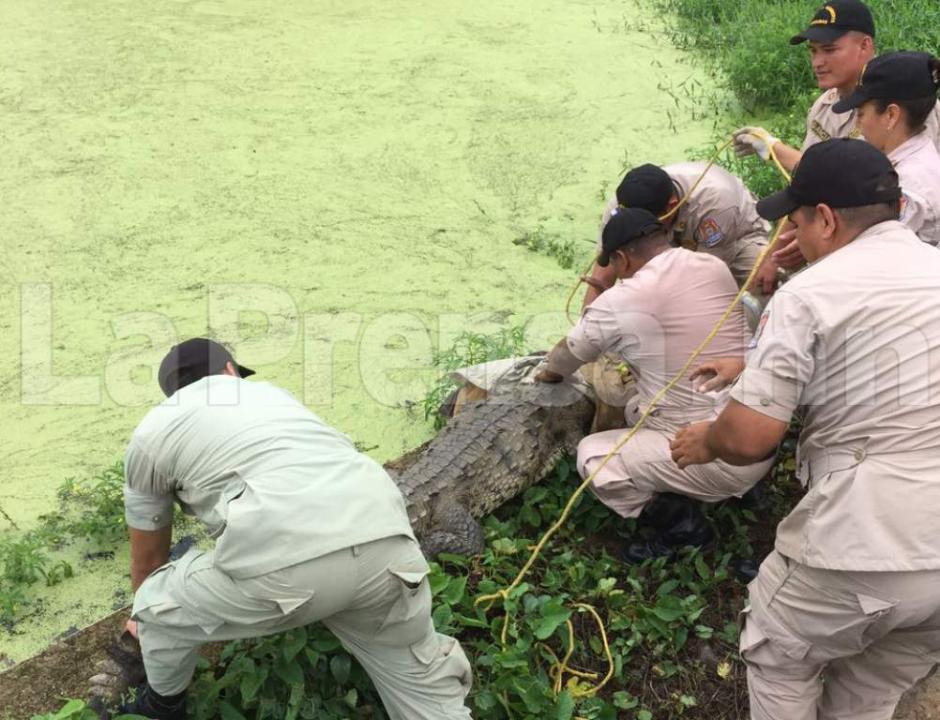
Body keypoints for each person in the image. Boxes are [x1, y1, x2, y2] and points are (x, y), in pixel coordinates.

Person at [670, 139, 940, 719]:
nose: (792, 241)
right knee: (872, 688)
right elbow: (888, 358)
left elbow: (749, 438)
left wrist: (706, 440)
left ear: (825, 218)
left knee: (779, 652)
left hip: (867, 543)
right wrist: (752, 366)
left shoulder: (809, 293)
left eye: (794, 223)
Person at [116, 338, 472, 720]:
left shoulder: (152, 431)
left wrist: (144, 620)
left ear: (171, 394)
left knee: (154, 600)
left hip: (289, 573)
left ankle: (162, 707)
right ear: (230, 371)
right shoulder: (274, 396)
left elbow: (149, 560)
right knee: (425, 694)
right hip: (390, 543)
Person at [537, 208, 773, 562]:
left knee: (594, 458)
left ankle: (684, 529)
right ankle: (747, 489)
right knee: (635, 404)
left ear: (621, 257)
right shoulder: (711, 265)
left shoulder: (621, 300)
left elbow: (566, 358)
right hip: (758, 432)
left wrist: (545, 374)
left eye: (613, 266)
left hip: (718, 452)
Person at [733, 0, 940, 269]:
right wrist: (772, 255)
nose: (818, 62)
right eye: (813, 51)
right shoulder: (824, 107)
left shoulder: (911, 105)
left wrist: (778, 150)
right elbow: (808, 184)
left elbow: (881, 214)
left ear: (864, 46)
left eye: (829, 50)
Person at [583, 162, 775, 306]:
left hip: (736, 238)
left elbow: (705, 277)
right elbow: (604, 270)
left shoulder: (715, 202)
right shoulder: (622, 204)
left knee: (765, 287)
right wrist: (585, 328)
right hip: (672, 238)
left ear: (672, 206)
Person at [833, 51, 940, 246]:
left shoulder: (910, 185)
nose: (858, 125)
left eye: (861, 114)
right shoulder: (905, 162)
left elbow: (871, 252)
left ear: (891, 115)